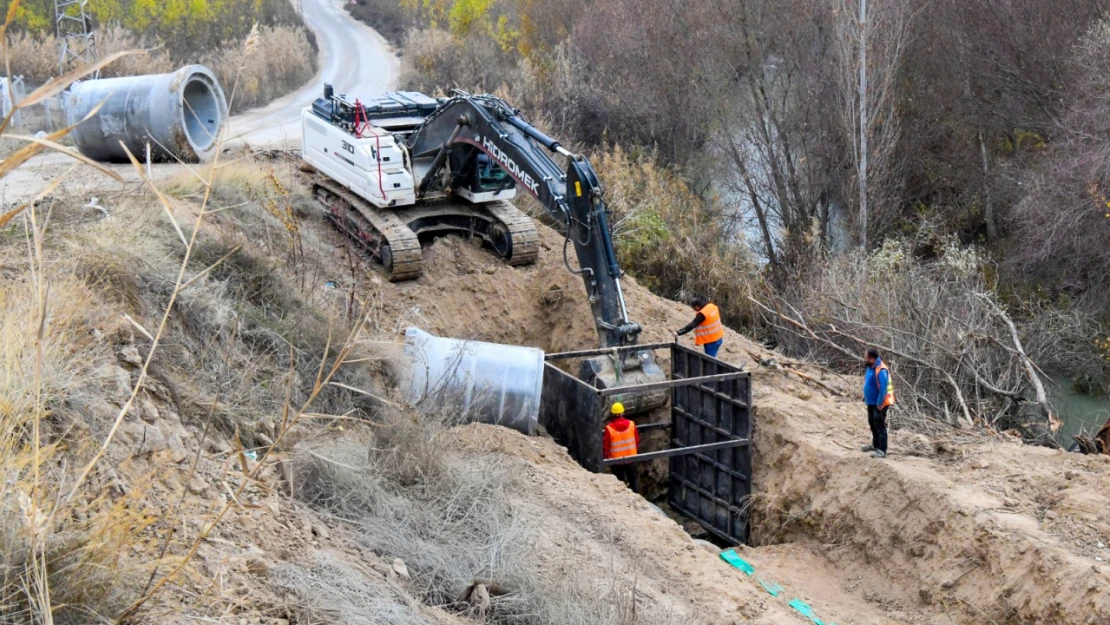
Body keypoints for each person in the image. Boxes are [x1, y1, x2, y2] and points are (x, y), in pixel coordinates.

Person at [862, 347, 895, 459]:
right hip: (871, 402)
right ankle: (875, 445)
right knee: (872, 423)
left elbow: (883, 388)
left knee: (879, 425)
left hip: (880, 403)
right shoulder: (871, 367)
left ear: (871, 359)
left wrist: (880, 402)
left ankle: (882, 450)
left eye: (866, 357)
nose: (864, 359)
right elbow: (869, 383)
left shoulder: (881, 370)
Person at [603, 402, 640, 493]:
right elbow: (637, 440)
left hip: (616, 462)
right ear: (623, 413)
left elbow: (605, 447)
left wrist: (605, 459)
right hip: (631, 458)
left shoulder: (609, 428)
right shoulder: (631, 424)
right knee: (633, 483)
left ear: (612, 414)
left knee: (619, 484)